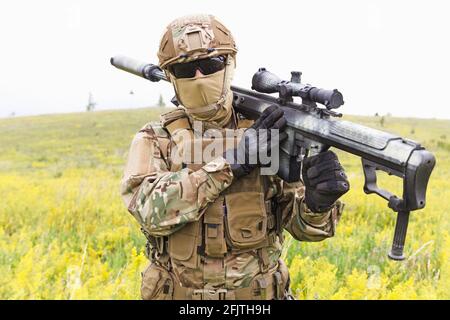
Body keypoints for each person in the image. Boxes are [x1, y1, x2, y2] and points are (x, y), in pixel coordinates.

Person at [120, 14, 349, 300]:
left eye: (210, 64)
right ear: (171, 77)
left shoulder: (270, 132)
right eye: (186, 69)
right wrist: (234, 162)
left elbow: (305, 229)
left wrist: (319, 202)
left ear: (230, 64)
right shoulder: (156, 138)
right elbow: (150, 212)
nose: (199, 77)